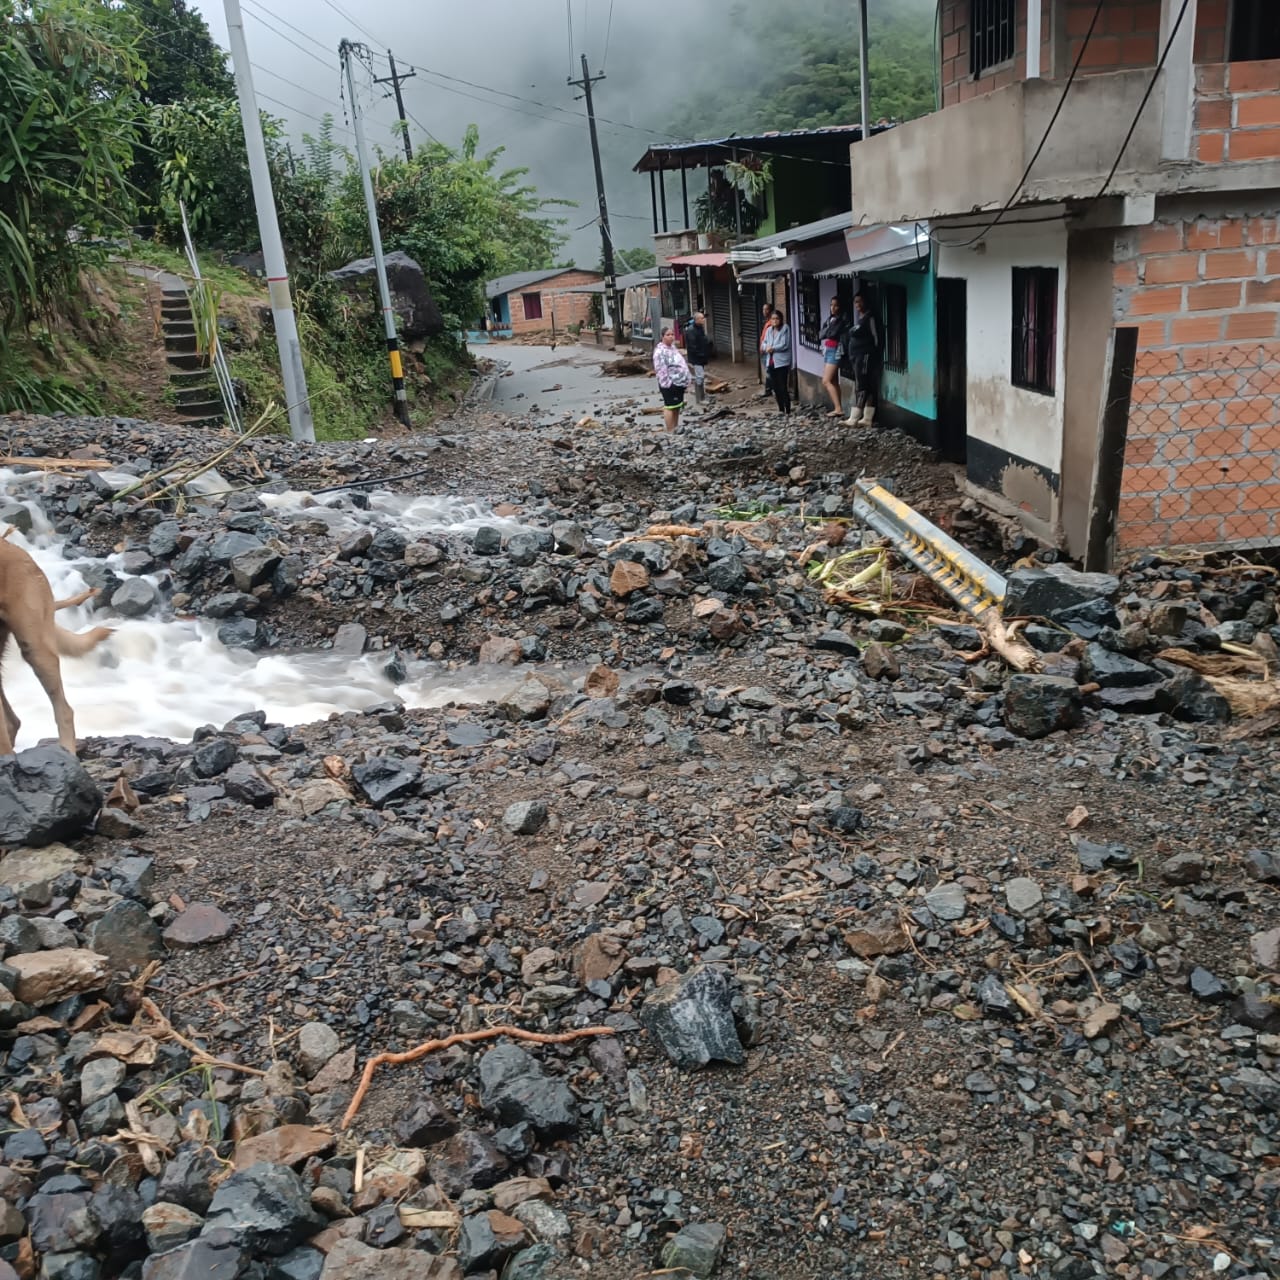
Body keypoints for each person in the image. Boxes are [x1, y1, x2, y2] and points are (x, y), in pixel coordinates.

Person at [844, 291, 882, 428]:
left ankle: (854, 417)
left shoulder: (870, 318)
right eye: (855, 302)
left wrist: (874, 354)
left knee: (862, 385)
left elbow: (876, 337)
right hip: (858, 356)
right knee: (868, 387)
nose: (857, 305)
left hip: (866, 356)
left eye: (860, 301)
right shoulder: (861, 318)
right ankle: (867, 418)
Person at [653, 326, 690, 432]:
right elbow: (660, 369)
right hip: (669, 384)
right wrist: (667, 383)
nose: (671, 337)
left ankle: (675, 427)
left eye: (672, 334)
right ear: (662, 337)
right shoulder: (660, 351)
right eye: (668, 335)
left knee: (677, 405)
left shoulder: (673, 348)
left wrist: (686, 379)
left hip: (679, 382)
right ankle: (670, 429)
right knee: (669, 406)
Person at [818, 295, 850, 418]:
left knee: (825, 380)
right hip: (828, 349)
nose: (833, 308)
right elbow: (821, 334)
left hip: (836, 350)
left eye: (836, 305)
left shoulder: (841, 320)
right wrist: (827, 331)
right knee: (833, 380)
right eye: (831, 305)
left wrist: (827, 331)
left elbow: (832, 333)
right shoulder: (830, 319)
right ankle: (838, 407)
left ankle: (838, 408)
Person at [761, 308, 793, 416]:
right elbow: (763, 343)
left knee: (783, 386)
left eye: (777, 319)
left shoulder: (785, 329)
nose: (775, 321)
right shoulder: (769, 330)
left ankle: (787, 409)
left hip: (781, 362)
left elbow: (785, 344)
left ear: (781, 319)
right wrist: (767, 347)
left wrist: (772, 348)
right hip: (770, 362)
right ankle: (780, 409)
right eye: (773, 319)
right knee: (775, 387)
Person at [683, 311, 712, 406]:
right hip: (697, 357)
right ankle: (700, 398)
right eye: (701, 318)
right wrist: (700, 354)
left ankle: (702, 396)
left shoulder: (699, 328)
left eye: (703, 318)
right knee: (700, 376)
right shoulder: (691, 330)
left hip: (701, 357)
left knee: (700, 376)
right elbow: (692, 346)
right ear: (696, 320)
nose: (703, 320)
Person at [758, 301, 775, 398]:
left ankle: (769, 390)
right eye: (763, 309)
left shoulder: (771, 324)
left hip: (768, 351)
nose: (764, 311)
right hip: (764, 349)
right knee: (768, 370)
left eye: (766, 309)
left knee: (769, 371)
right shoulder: (767, 322)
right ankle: (770, 389)